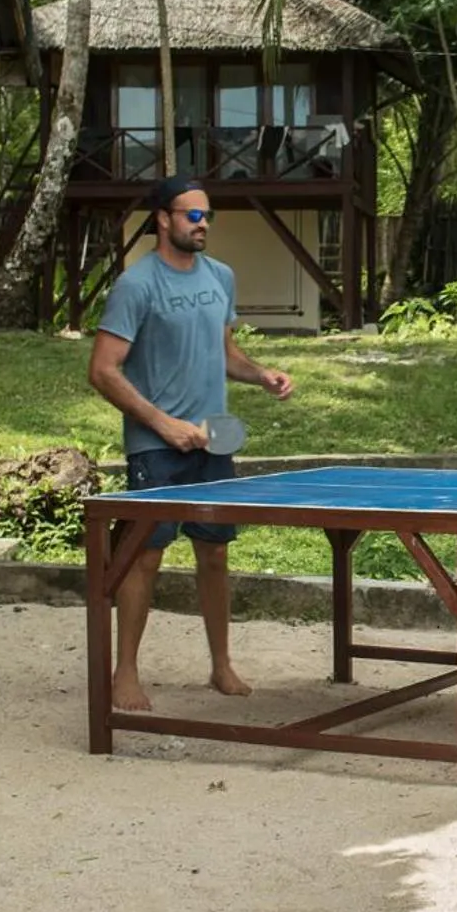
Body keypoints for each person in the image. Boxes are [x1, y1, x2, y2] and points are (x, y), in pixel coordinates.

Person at [86, 176, 294, 712]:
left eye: (208, 217)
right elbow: (104, 371)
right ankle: (125, 672)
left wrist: (262, 374)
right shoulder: (137, 285)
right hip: (156, 447)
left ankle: (221, 665)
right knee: (144, 558)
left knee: (216, 554)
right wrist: (163, 424)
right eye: (192, 216)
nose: (203, 225)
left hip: (214, 440)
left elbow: (225, 353)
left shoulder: (221, 277)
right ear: (162, 218)